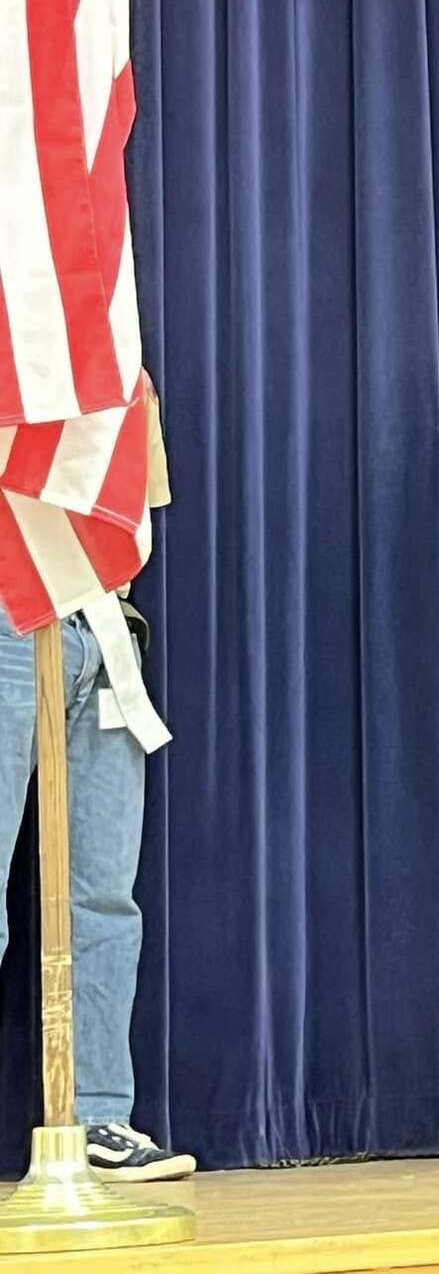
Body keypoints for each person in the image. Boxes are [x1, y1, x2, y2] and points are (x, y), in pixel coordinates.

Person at [0, 381, 194, 1182]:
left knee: (104, 894)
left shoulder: (112, 347)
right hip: (13, 608)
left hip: (104, 619)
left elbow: (143, 492)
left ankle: (99, 1113)